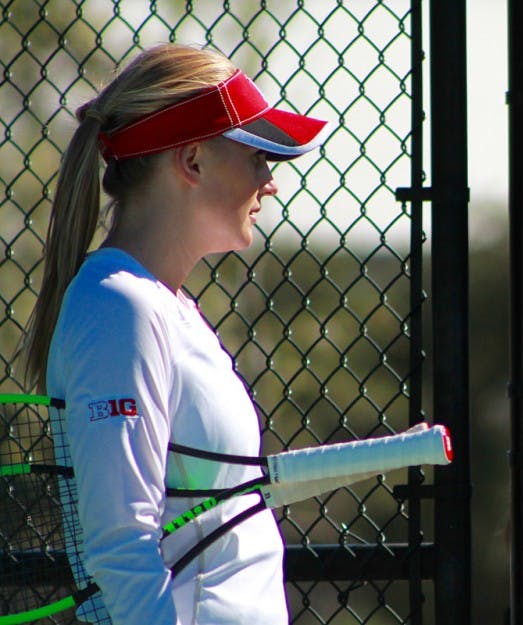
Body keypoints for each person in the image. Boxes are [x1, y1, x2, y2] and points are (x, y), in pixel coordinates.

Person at [22, 44, 331, 624]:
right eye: (259, 157)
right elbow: (120, 546)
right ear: (192, 161)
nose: (271, 183)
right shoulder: (118, 307)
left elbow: (217, 503)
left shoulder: (165, 305)